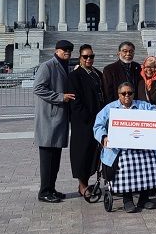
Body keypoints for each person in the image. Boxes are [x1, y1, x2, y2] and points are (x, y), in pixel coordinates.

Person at [93, 82, 156, 213]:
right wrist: (104, 137)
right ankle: (127, 200)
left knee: (149, 163)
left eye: (130, 93)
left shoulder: (142, 105)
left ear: (133, 94)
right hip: (120, 149)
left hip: (142, 146)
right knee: (124, 165)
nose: (127, 95)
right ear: (118, 94)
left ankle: (144, 198)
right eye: (123, 93)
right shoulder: (110, 108)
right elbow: (98, 125)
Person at [34, 40, 76, 203]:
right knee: (47, 159)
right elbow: (38, 88)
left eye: (69, 50)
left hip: (58, 120)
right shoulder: (48, 66)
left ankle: (51, 188)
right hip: (48, 120)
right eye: (64, 49)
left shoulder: (64, 65)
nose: (67, 52)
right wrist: (60, 97)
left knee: (55, 159)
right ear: (56, 50)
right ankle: (44, 191)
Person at [68, 44, 104, 198]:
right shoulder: (74, 76)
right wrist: (88, 118)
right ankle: (82, 185)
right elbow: (75, 102)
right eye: (85, 57)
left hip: (98, 121)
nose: (89, 59)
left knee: (93, 154)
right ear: (80, 58)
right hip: (84, 122)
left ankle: (85, 182)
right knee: (82, 153)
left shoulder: (97, 74)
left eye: (91, 56)